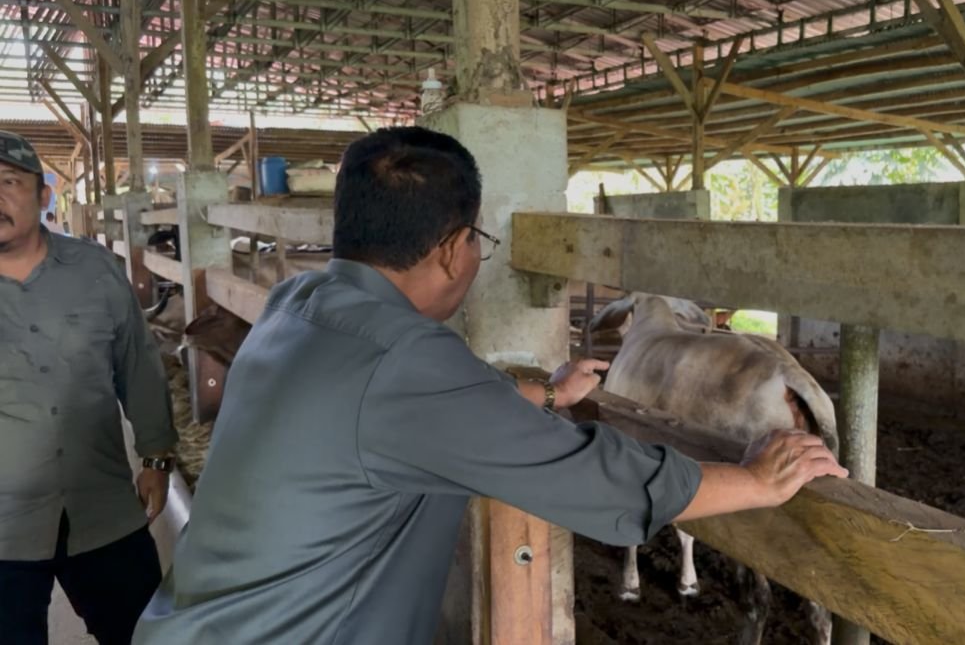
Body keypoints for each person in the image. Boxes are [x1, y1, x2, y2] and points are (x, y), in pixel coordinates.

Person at [132, 127, 847, 645]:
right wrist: (754, 479)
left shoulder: (298, 305)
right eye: (477, 238)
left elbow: (409, 410)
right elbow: (595, 478)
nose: (477, 256)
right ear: (450, 249)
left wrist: (539, 394)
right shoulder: (407, 362)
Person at [0, 129, 178, 645]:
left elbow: (138, 365)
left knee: (141, 635)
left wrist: (158, 456)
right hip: (5, 529)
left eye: (10, 181)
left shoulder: (96, 270)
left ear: (43, 195)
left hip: (101, 508)